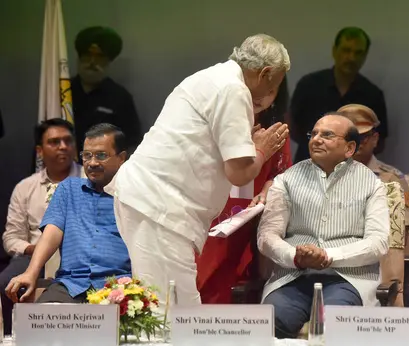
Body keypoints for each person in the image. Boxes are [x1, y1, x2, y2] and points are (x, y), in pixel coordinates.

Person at [105, 34, 290, 309]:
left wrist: (249, 146)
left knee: (165, 306)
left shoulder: (211, 77)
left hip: (152, 202)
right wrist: (262, 150)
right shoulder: (234, 89)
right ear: (265, 74)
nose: (270, 95)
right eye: (274, 84)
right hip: (159, 206)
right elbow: (239, 173)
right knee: (175, 312)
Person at [258, 114, 389, 338]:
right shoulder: (286, 180)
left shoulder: (371, 183)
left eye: (327, 135)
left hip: (347, 279)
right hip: (293, 277)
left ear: (349, 148)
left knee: (335, 325)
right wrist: (296, 257)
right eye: (314, 134)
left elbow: (378, 242)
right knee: (271, 323)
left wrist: (328, 256)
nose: (316, 139)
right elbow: (267, 236)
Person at [6, 124, 131, 303]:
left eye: (101, 155)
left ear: (121, 158)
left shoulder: (132, 195)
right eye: (87, 155)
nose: (93, 162)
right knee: (39, 323)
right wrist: (30, 273)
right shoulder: (68, 188)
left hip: (118, 286)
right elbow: (51, 234)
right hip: (71, 285)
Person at [196, 76, 293, 304]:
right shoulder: (215, 120)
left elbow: (280, 175)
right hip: (209, 209)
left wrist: (268, 190)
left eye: (271, 90)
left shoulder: (276, 129)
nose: (261, 96)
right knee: (202, 274)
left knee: (238, 277)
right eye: (255, 88)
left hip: (248, 214)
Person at [0, 119, 81, 333]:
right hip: (34, 255)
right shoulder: (26, 187)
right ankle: (14, 336)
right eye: (54, 142)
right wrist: (36, 250)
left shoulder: (89, 180)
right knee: (7, 281)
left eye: (67, 141)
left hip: (81, 255)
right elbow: (11, 237)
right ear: (40, 150)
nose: (63, 146)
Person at [338, 103, 409, 306]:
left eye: (362, 137)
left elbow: (399, 238)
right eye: (349, 138)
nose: (355, 144)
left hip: (378, 266)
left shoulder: (392, 179)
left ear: (375, 138)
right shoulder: (318, 177)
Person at [290, 27, 387, 163]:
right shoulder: (309, 85)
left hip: (352, 174)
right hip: (308, 169)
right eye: (346, 50)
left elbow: (379, 141)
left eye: (358, 52)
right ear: (335, 51)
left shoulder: (372, 95)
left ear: (365, 56)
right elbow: (292, 126)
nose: (351, 58)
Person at [72, 26, 142, 154]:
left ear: (108, 62)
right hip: (64, 169)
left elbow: (132, 143)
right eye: (87, 55)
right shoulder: (62, 91)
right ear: (79, 58)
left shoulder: (120, 97)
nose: (92, 62)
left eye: (99, 57)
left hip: (104, 170)